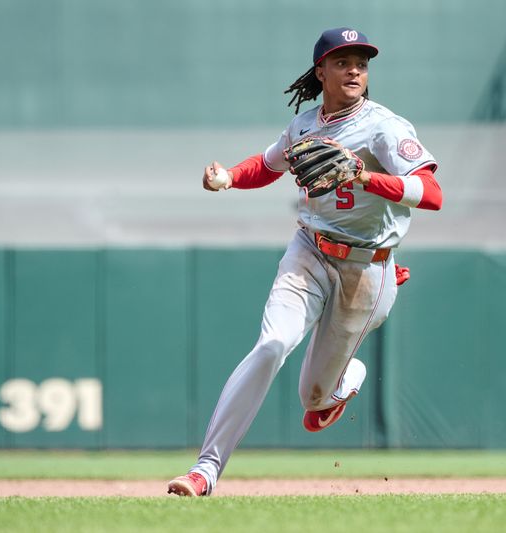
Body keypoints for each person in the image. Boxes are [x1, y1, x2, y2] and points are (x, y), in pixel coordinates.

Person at [168, 27, 442, 497]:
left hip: (367, 269)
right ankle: (205, 470)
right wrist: (229, 177)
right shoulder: (304, 126)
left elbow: (432, 195)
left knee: (313, 403)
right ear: (321, 71)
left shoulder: (385, 126)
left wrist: (363, 174)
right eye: (341, 61)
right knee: (272, 344)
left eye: (361, 61)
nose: (354, 69)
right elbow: (270, 164)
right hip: (310, 252)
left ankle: (338, 386)